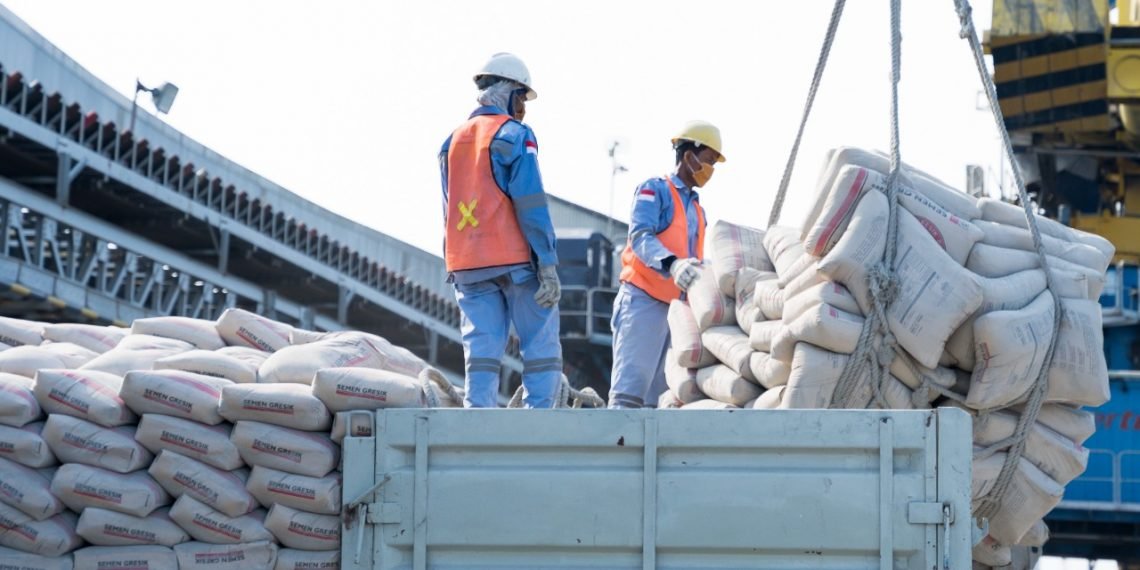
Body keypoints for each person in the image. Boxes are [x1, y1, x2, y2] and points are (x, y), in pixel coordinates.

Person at [439, 52, 562, 408]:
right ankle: (540, 421)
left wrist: (452, 260)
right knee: (540, 346)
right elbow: (531, 203)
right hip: (517, 262)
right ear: (508, 92)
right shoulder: (514, 135)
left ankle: (477, 419)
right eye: (521, 97)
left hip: (468, 265)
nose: (523, 107)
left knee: (481, 353)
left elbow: (448, 207)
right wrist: (547, 262)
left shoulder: (450, 142)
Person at [608, 121, 725, 409]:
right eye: (709, 160)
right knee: (629, 396)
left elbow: (693, 257)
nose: (710, 170)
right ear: (689, 155)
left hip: (676, 312)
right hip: (643, 302)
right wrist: (672, 264)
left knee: (661, 401)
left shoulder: (698, 210)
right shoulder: (655, 190)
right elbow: (640, 236)